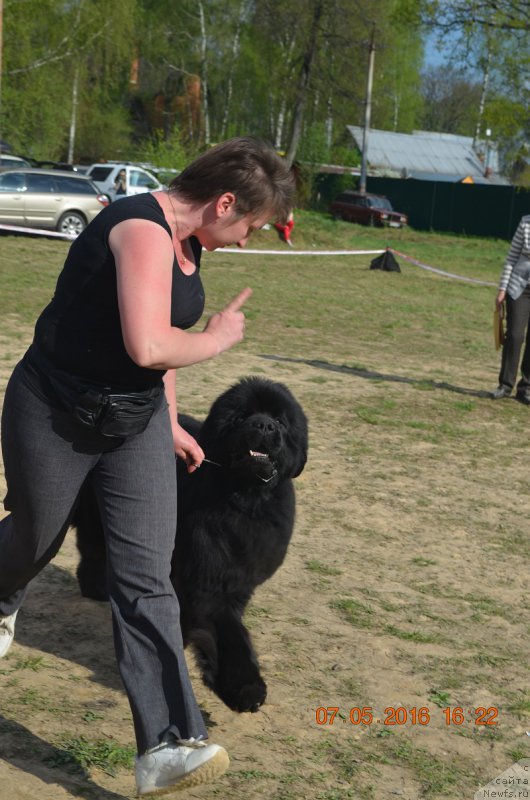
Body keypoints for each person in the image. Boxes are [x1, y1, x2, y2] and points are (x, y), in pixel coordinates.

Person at [0, 137, 295, 796]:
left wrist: (166, 421)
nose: (247, 241)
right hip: (53, 414)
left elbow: (152, 363)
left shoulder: (191, 246)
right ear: (225, 203)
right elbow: (147, 341)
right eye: (250, 226)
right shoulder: (139, 228)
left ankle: (168, 742)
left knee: (146, 579)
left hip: (133, 428)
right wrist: (216, 339)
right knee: (35, 536)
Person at [492, 214, 530, 403]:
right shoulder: (525, 222)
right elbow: (511, 257)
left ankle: (526, 388)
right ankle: (505, 385)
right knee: (515, 335)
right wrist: (502, 289)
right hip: (519, 287)